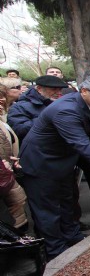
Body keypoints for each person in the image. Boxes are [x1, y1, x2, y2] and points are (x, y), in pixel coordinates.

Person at [18, 76, 90, 260]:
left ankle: (73, 237)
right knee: (48, 211)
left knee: (67, 204)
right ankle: (56, 251)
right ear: (84, 91)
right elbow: (81, 143)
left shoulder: (86, 105)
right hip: (41, 164)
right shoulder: (66, 109)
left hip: (63, 164)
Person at [0, 85, 28, 234]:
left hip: (9, 172)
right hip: (4, 175)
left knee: (16, 211)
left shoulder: (3, 120)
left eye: (3, 96)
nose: (1, 100)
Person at [8, 75, 69, 141]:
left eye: (60, 89)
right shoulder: (20, 107)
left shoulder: (61, 103)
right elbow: (19, 130)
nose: (58, 93)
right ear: (39, 89)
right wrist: (46, 118)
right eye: (53, 89)